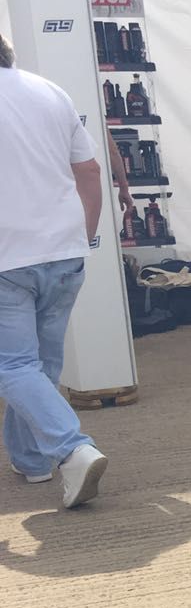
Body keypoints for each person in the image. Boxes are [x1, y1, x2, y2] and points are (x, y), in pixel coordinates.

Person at [0, 30, 111, 506]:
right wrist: (83, 233)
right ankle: (31, 463)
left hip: (7, 255)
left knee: (14, 365)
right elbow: (88, 171)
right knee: (39, 366)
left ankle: (72, 449)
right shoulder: (50, 91)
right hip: (63, 250)